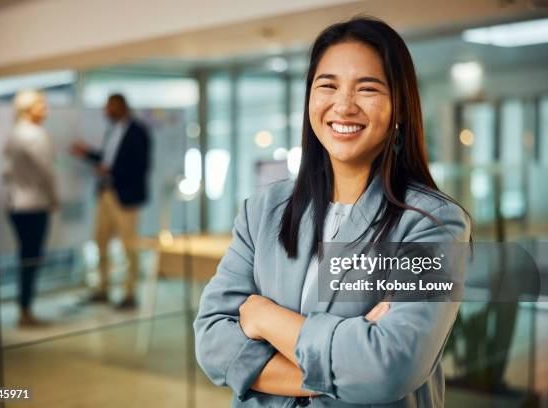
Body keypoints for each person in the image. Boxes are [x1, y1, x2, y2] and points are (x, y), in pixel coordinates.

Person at [194, 16, 471, 407]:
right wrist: (344, 366)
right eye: (328, 85)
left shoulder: (432, 225)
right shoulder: (264, 210)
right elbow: (211, 342)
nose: (343, 105)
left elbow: (390, 367)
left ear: (400, 109)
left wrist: (262, 317)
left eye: (368, 89)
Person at [71, 94, 150, 310]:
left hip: (125, 196)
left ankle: (130, 293)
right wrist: (87, 154)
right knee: (100, 241)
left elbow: (139, 165)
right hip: (106, 193)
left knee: (128, 245)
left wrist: (111, 170)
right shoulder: (112, 130)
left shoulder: (137, 131)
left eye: (110, 107)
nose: (107, 111)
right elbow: (108, 159)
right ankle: (102, 288)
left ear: (121, 106)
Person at [4, 89, 58, 327]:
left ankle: (24, 307)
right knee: (30, 258)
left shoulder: (14, 134)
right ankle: (25, 309)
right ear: (28, 109)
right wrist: (54, 198)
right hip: (33, 204)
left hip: (15, 203)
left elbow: (6, 171)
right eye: (41, 105)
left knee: (26, 256)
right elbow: (46, 171)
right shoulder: (35, 135)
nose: (45, 110)